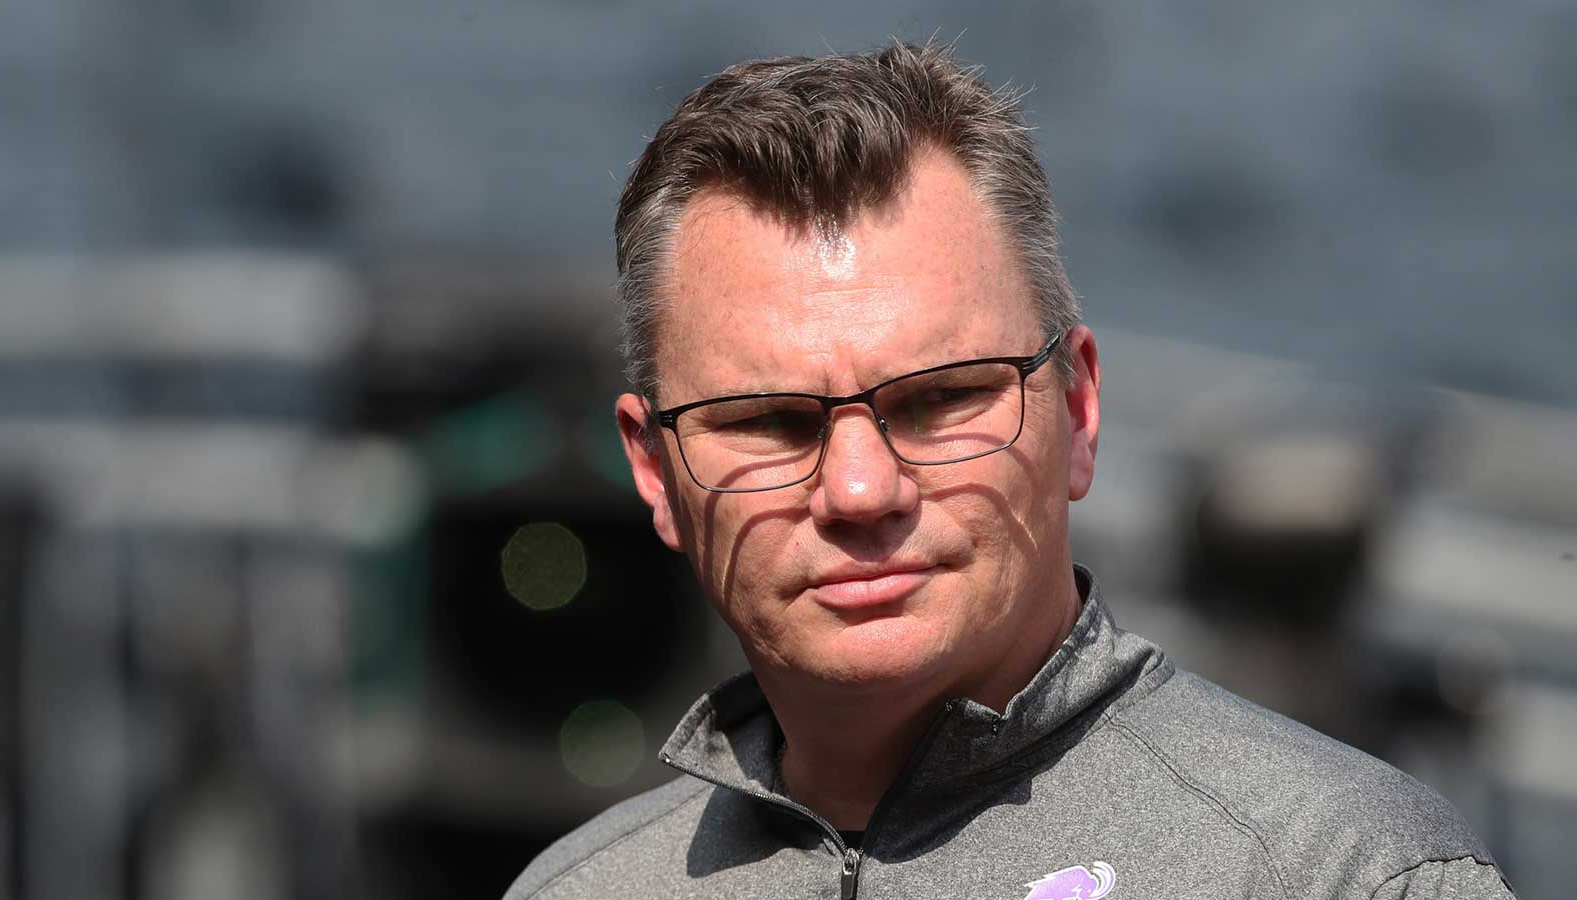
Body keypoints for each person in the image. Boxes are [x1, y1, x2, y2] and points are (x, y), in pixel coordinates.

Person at [505, 42, 1515, 900]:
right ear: (654, 470)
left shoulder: (1339, 872)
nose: (860, 491)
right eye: (769, 422)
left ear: (1076, 411)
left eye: (940, 400)